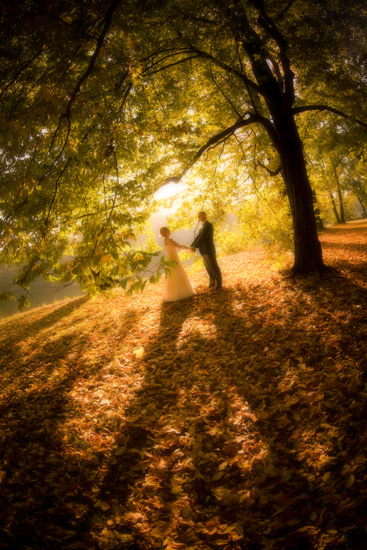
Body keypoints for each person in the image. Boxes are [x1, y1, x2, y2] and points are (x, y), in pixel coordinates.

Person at [160, 227, 195, 302]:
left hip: (169, 258)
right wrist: (189, 249)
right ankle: (182, 292)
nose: (170, 231)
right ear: (166, 232)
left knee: (172, 276)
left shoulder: (164, 241)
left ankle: (173, 293)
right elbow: (179, 247)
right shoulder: (170, 240)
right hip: (174, 259)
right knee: (178, 273)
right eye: (168, 230)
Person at [191, 211, 222, 289]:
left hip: (208, 249)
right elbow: (198, 237)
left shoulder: (208, 225)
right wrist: (192, 246)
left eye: (201, 216)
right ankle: (212, 282)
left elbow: (203, 237)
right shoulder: (201, 227)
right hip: (203, 250)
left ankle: (219, 283)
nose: (200, 218)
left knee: (214, 266)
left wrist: (195, 246)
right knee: (208, 267)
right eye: (199, 216)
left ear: (205, 215)